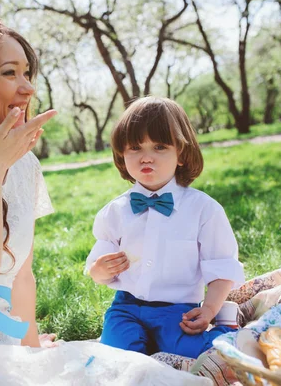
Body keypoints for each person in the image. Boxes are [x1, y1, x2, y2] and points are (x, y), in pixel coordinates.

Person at [0, 18, 209, 385]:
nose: (28, 88)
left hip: (2, 336)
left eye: (27, 72)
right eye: (10, 73)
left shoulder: (25, 164)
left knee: (140, 375)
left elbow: (21, 275)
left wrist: (29, 348)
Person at [85, 97, 246, 359]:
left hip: (178, 311)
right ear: (121, 154)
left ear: (181, 154)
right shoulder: (115, 212)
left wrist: (209, 310)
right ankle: (139, 346)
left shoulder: (204, 210)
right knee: (117, 356)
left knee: (199, 354)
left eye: (159, 146)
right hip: (126, 308)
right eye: (135, 147)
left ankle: (225, 327)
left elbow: (221, 266)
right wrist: (99, 271)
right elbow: (98, 269)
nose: (146, 157)